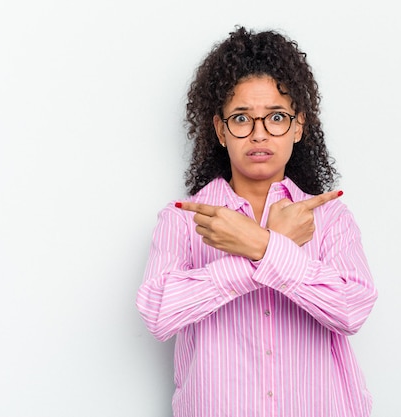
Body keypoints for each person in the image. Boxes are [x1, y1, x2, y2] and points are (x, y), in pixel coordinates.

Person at [136, 26, 378, 417]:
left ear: (298, 126)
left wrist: (263, 247)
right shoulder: (183, 220)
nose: (259, 134)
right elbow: (159, 313)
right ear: (220, 129)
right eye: (241, 118)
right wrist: (266, 250)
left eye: (276, 117)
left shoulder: (329, 216)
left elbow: (353, 309)